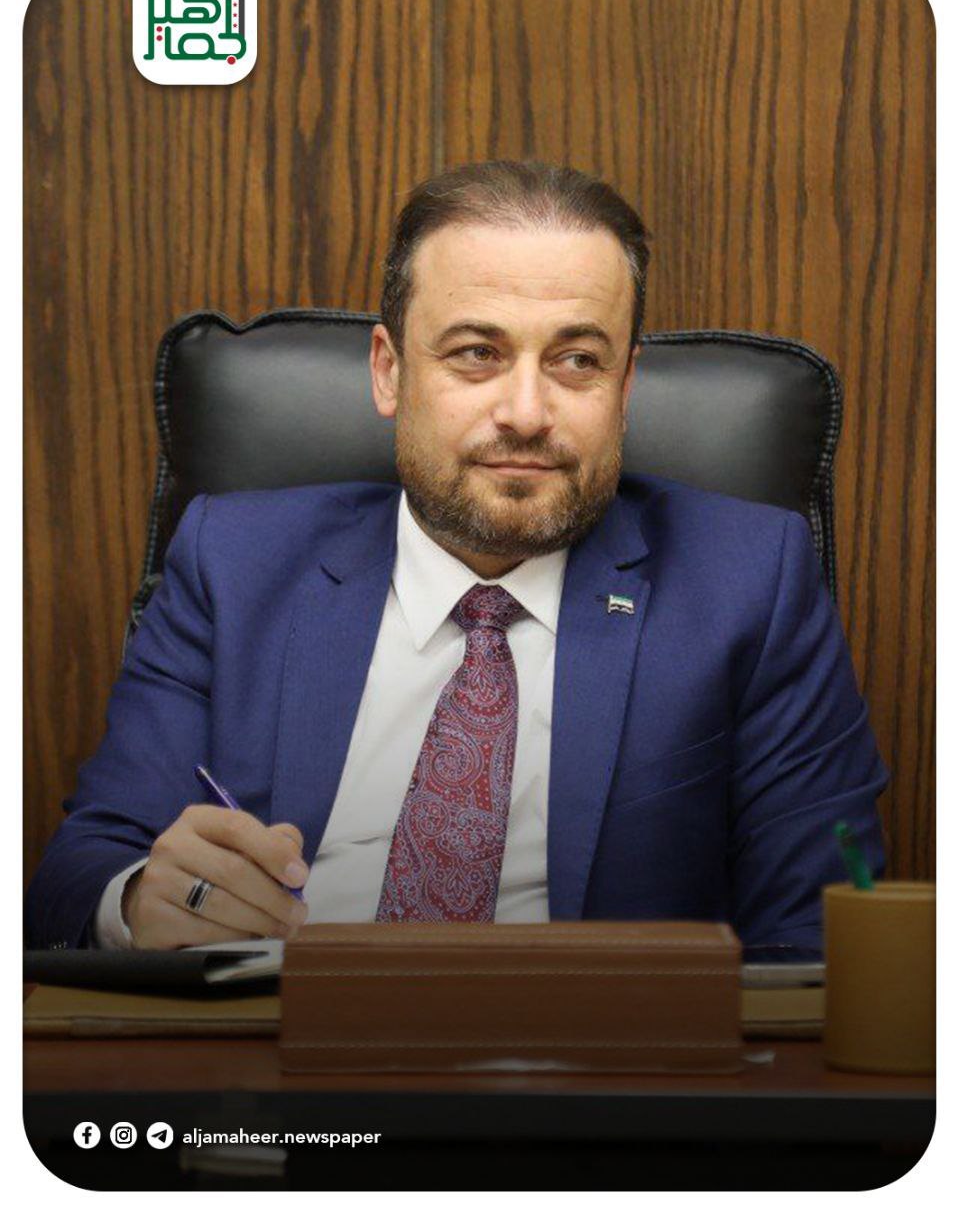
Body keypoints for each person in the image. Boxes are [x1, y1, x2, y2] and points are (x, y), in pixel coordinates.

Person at [25, 160, 887, 954]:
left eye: (577, 360)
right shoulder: (235, 562)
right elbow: (78, 872)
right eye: (477, 354)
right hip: (275, 1047)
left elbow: (818, 927)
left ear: (624, 389)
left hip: (593, 1057)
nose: (525, 413)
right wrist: (140, 902)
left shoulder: (749, 582)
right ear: (388, 371)